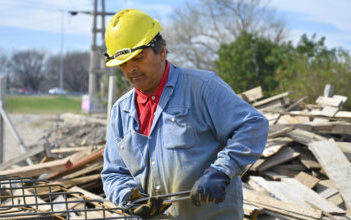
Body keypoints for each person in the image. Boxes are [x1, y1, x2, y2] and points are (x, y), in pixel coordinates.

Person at [101, 8, 269, 220]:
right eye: (123, 63)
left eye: (138, 58)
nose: (130, 68)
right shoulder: (121, 111)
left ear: (162, 51)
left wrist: (221, 171)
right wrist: (131, 198)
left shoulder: (202, 88)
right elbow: (113, 173)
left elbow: (253, 125)